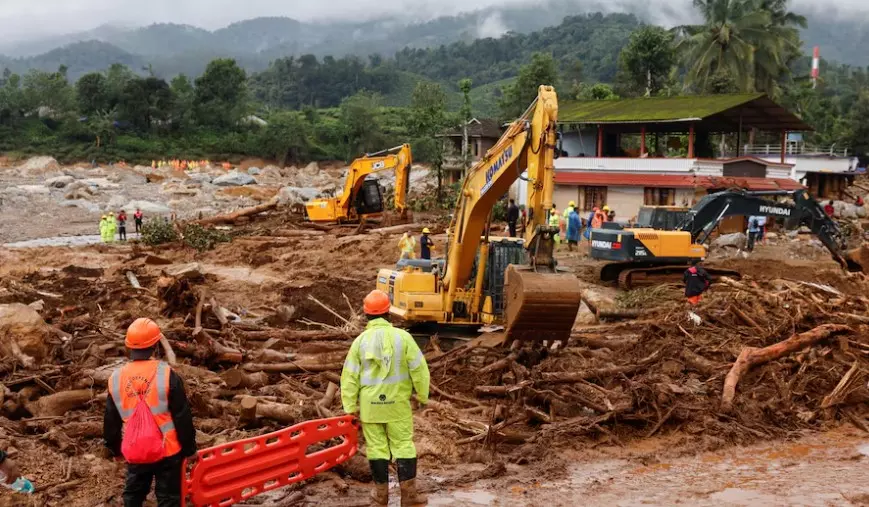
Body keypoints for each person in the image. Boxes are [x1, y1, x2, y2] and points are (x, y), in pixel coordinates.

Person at [341, 290, 430, 507]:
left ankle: (380, 497)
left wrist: (349, 407)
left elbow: (349, 377)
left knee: (377, 448)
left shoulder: (360, 342)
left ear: (366, 315)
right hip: (397, 406)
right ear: (388, 312)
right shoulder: (404, 338)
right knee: (403, 446)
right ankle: (409, 497)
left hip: (371, 407)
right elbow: (420, 370)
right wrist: (422, 395)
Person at [104, 318, 197, 507]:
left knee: (133, 495)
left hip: (136, 449)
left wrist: (115, 449)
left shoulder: (115, 378)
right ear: (155, 345)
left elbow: (110, 420)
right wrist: (190, 449)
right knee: (169, 498)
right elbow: (182, 416)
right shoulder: (166, 373)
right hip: (169, 450)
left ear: (129, 346)